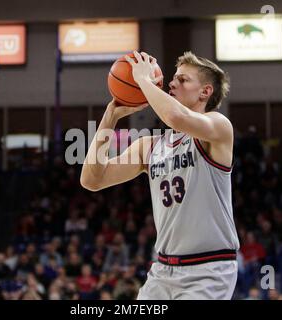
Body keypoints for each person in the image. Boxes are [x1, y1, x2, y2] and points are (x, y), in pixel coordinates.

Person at [80, 51, 239, 299]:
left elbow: (176, 117)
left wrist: (142, 79)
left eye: (183, 80)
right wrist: (110, 116)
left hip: (208, 270)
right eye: (174, 78)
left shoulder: (218, 127)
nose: (172, 83)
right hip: (163, 270)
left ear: (205, 92)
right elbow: (92, 179)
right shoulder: (150, 146)